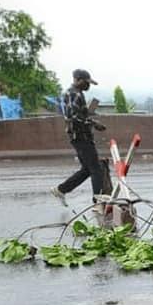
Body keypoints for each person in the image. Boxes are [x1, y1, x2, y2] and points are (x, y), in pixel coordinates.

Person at [50, 69, 106, 206]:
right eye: (87, 83)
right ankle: (98, 201)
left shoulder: (76, 93)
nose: (89, 86)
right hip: (80, 136)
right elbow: (73, 117)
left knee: (87, 169)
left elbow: (79, 115)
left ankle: (61, 190)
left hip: (81, 136)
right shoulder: (73, 94)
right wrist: (94, 123)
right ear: (78, 80)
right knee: (96, 168)